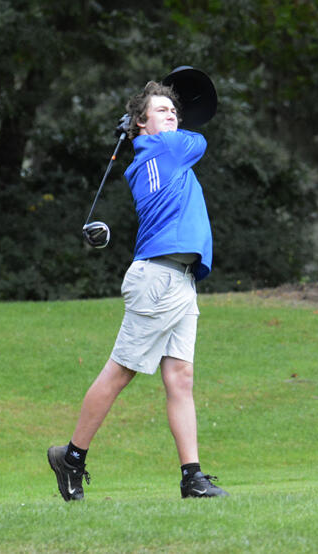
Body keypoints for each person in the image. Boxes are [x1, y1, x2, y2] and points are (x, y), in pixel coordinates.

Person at [47, 80, 228, 501]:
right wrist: (155, 119)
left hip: (179, 278)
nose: (172, 116)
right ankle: (71, 458)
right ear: (141, 125)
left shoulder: (153, 152)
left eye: (174, 111)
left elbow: (179, 134)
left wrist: (145, 116)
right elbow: (199, 140)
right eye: (161, 111)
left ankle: (192, 477)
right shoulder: (169, 148)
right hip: (160, 279)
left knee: (180, 378)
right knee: (120, 370)